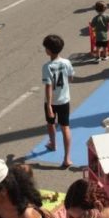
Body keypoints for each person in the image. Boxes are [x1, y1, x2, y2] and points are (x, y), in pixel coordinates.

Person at [41, 35, 74, 169]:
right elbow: (71, 77)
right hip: (64, 100)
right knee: (65, 127)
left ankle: (53, 144)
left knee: (50, 123)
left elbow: (48, 86)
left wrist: (49, 105)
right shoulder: (66, 62)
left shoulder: (47, 66)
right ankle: (67, 158)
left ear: (49, 50)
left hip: (52, 101)